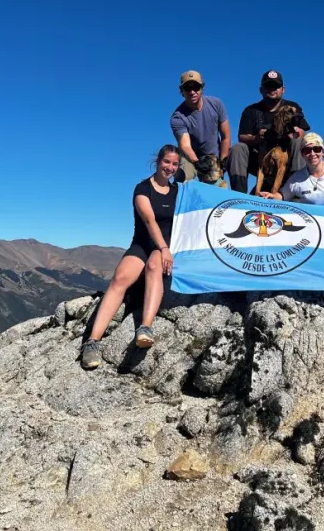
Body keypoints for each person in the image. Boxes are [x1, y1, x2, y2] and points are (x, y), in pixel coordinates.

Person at [80, 145, 180, 369]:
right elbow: (149, 221)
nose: (170, 168)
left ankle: (145, 327)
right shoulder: (142, 188)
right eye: (167, 162)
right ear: (158, 161)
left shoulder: (178, 193)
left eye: (175, 164)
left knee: (154, 266)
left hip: (163, 248)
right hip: (144, 244)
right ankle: (92, 342)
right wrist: (164, 248)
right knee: (120, 279)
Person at [228, 69, 310, 194]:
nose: (272, 89)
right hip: (260, 159)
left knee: (299, 143)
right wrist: (256, 138)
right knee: (238, 148)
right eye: (268, 86)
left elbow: (302, 131)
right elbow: (242, 137)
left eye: (276, 86)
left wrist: (295, 133)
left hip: (286, 158)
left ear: (283, 89)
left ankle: (296, 194)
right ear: (261, 90)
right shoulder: (250, 110)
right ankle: (239, 195)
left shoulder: (292, 107)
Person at [260, 132, 324, 222]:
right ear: (302, 154)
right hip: (315, 219)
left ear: (322, 151)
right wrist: (272, 196)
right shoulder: (296, 179)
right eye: (307, 150)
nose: (312, 154)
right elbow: (282, 196)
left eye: (316, 149)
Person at [169, 70, 231, 183]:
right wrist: (199, 164)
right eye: (187, 88)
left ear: (202, 88)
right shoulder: (177, 117)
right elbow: (185, 146)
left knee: (217, 185)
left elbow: (226, 137)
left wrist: (221, 164)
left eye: (196, 87)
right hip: (192, 159)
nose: (192, 92)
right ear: (182, 91)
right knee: (185, 172)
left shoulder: (216, 104)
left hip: (214, 158)